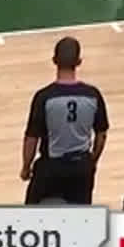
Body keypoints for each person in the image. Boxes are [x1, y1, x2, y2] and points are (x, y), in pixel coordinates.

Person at [19, 36, 108, 205]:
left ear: (54, 60)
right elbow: (101, 134)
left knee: (32, 213)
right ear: (79, 61)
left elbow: (31, 138)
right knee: (81, 215)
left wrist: (26, 167)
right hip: (81, 168)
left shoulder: (44, 97)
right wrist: (92, 161)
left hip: (51, 168)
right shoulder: (93, 95)